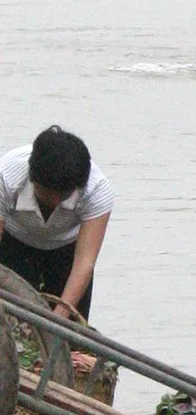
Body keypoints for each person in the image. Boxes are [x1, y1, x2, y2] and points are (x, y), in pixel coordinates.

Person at [0, 128, 112, 314]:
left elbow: (84, 264)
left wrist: (58, 321)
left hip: (66, 248)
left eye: (63, 195)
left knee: (69, 330)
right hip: (13, 242)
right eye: (47, 194)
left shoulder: (97, 190)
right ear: (33, 178)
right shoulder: (6, 176)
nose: (54, 202)